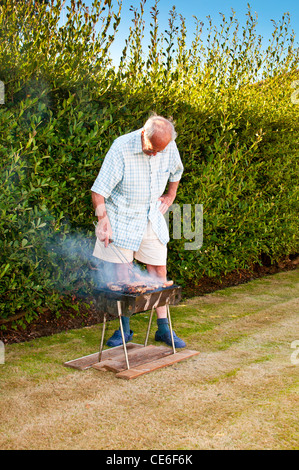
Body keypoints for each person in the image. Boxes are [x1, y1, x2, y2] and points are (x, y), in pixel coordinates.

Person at [91, 114, 186, 348]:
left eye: (159, 151)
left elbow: (177, 171)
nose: (155, 154)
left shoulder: (168, 145)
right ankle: (124, 329)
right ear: (144, 133)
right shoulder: (121, 147)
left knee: (159, 271)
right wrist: (103, 219)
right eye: (151, 149)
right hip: (121, 216)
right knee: (123, 275)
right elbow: (99, 191)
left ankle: (163, 329)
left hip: (151, 214)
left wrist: (171, 195)